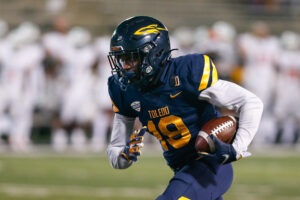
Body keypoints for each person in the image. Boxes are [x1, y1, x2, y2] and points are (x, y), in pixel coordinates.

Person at [106, 16, 263, 200]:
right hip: (182, 171)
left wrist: (237, 148)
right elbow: (116, 150)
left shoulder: (186, 73)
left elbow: (251, 102)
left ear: (154, 53)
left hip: (211, 165)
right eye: (121, 59)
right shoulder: (123, 89)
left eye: (131, 58)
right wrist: (124, 156)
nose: (125, 67)